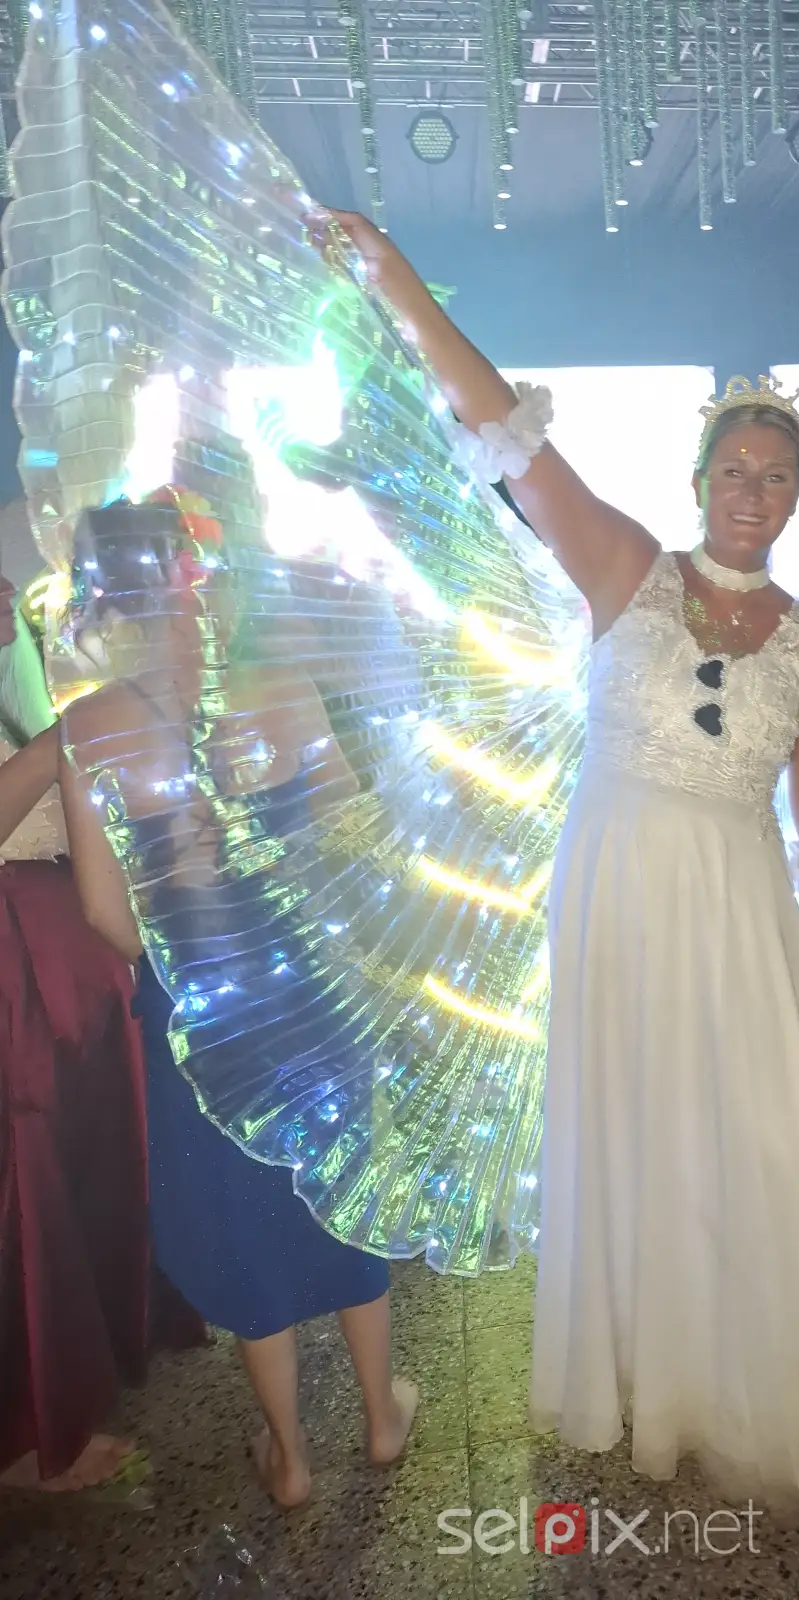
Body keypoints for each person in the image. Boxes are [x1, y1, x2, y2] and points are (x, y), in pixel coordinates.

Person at [315, 208, 799, 1558]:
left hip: (740, 917)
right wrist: (395, 281)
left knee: (761, 1142)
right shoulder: (627, 567)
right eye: (735, 468)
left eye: (777, 476)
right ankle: (653, 1371)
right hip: (616, 901)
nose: (752, 491)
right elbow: (505, 429)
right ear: (701, 476)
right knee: (639, 1129)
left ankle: (765, 1367)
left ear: (797, 494)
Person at [57, 497, 419, 1508]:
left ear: (100, 599)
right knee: (342, 1189)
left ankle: (291, 1457)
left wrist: (187, 934)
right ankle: (381, 1416)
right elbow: (350, 830)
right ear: (193, 577)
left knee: (243, 1214)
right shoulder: (282, 686)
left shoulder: (87, 728)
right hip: (311, 993)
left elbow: (104, 913)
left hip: (200, 1014)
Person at [0, 564, 205, 1494]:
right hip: (18, 972)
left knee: (88, 1164)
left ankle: (101, 1350)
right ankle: (31, 1430)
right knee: (30, 1181)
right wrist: (64, 738)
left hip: (64, 961)